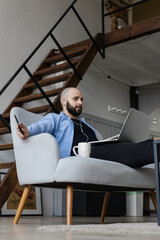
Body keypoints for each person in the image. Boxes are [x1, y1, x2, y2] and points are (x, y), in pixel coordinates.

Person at [16, 87, 156, 168]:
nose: (80, 102)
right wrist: (28, 131)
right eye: (75, 99)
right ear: (63, 101)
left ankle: (155, 143)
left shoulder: (85, 124)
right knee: (144, 149)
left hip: (99, 150)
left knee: (143, 145)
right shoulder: (56, 118)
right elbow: (41, 126)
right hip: (82, 153)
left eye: (81, 99)